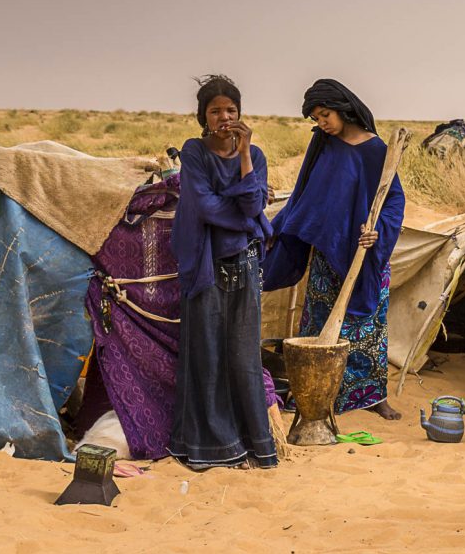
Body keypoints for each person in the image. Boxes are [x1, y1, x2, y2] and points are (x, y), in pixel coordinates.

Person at [262, 79, 406, 420]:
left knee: (368, 327)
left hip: (365, 256)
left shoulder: (376, 151)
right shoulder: (324, 145)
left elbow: (393, 200)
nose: (321, 123)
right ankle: (316, 392)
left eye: (325, 114)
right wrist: (286, 225)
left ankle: (372, 396)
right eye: (316, 118)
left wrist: (377, 233)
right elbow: (308, 192)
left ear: (343, 108)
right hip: (329, 252)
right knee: (320, 325)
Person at [169, 74, 278, 470]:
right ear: (203, 116)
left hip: (245, 263)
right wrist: (243, 207)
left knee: (244, 354)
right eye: (215, 110)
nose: (224, 116)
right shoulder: (193, 151)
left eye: (231, 110)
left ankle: (254, 445)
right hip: (204, 261)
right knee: (206, 353)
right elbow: (202, 206)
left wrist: (246, 154)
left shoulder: (257, 156)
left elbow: (250, 208)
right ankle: (210, 448)